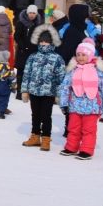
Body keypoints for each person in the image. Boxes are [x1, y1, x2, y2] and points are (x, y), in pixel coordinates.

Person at [58, 38, 103, 160]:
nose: (81, 57)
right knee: (73, 128)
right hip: (75, 105)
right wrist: (63, 103)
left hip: (92, 106)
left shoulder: (98, 71)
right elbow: (65, 87)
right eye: (78, 55)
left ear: (90, 55)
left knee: (88, 130)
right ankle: (71, 147)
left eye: (84, 55)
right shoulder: (73, 70)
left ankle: (86, 150)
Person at [20, 24, 66, 152]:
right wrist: (24, 90)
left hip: (48, 93)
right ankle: (35, 136)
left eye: (46, 41)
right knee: (35, 114)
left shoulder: (57, 58)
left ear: (52, 42)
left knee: (46, 116)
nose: (44, 44)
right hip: (34, 91)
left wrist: (58, 94)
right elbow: (27, 74)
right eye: (41, 41)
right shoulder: (33, 57)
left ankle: (46, 138)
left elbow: (61, 77)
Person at [14, 4, 43, 100]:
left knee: (31, 73)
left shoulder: (38, 24)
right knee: (21, 73)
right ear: (27, 13)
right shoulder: (21, 23)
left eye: (34, 13)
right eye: (30, 13)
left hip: (34, 52)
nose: (32, 15)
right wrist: (23, 46)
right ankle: (19, 92)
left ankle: (29, 92)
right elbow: (17, 36)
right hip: (23, 52)